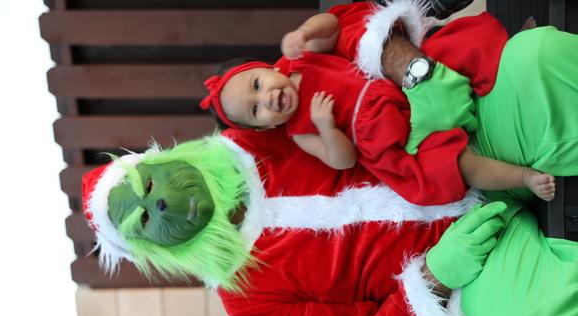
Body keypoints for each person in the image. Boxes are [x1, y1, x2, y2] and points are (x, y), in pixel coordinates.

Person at [80, 2, 578, 316]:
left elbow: (341, 36)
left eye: (146, 186)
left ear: (159, 160)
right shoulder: (247, 300)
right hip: (471, 269)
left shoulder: (253, 122)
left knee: (541, 63)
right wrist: (437, 275)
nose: (159, 203)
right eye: (144, 219)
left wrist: (413, 70)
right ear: (152, 250)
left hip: (462, 137)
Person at [199, 3, 555, 205]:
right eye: (257, 109)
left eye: (258, 85)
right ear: (267, 127)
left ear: (266, 67)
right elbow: (343, 160)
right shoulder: (299, 132)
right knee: (449, 166)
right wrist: (326, 128)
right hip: (389, 137)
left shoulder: (300, 60)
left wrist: (306, 30)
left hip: (394, 86)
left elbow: (333, 28)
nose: (268, 98)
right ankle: (523, 177)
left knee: (453, 48)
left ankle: (511, 50)